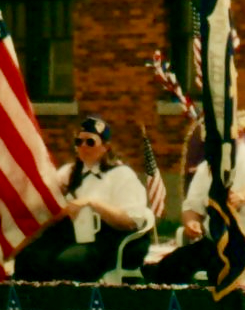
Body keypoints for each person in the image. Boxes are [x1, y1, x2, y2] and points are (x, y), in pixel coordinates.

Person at [148, 128, 245, 284]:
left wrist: (240, 197)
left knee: (219, 267)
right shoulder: (206, 168)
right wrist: (192, 222)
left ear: (239, 134)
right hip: (218, 240)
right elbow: (192, 205)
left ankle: (226, 299)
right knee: (171, 265)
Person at [14, 116, 153, 282]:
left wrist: (92, 204)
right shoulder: (69, 173)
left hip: (108, 238)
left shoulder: (121, 175)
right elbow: (43, 198)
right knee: (28, 257)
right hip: (74, 235)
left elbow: (130, 221)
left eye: (90, 142)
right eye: (79, 142)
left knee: (68, 262)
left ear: (106, 147)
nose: (83, 147)